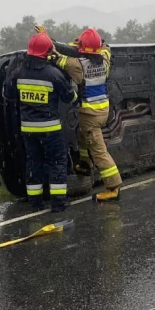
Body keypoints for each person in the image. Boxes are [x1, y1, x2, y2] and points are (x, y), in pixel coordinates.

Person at [5, 31, 76, 212]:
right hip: (50, 129)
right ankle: (58, 203)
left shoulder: (18, 72)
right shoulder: (53, 74)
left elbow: (9, 94)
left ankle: (35, 203)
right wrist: (75, 89)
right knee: (57, 162)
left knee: (33, 163)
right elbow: (68, 97)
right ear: (48, 53)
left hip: (28, 130)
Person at [50, 28, 123, 201]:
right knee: (82, 135)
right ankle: (84, 164)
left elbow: (55, 56)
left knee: (99, 151)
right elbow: (106, 47)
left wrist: (48, 38)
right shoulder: (104, 60)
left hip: (90, 115)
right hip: (102, 111)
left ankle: (114, 187)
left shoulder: (78, 65)